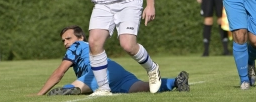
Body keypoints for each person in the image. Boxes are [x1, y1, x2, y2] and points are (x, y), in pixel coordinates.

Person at [37, 26, 190, 96]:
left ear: (80, 38)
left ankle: (71, 89)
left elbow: (59, 72)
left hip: (99, 72)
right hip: (115, 69)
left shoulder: (77, 46)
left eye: (68, 38)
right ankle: (176, 82)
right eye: (63, 41)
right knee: (144, 87)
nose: (65, 43)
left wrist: (40, 94)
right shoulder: (84, 46)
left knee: (69, 89)